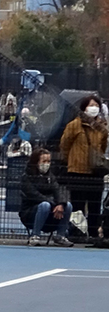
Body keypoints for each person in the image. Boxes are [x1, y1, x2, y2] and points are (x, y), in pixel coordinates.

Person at [58, 95, 108, 245]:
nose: (94, 108)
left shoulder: (102, 127)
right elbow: (64, 144)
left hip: (95, 171)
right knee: (77, 205)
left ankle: (93, 233)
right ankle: (77, 232)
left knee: (95, 205)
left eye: (97, 105)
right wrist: (71, 160)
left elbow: (103, 147)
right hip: (77, 170)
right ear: (84, 108)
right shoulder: (74, 125)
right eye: (91, 105)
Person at [20, 147, 73, 247]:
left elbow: (57, 190)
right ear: (36, 162)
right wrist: (54, 205)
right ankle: (35, 236)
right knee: (45, 205)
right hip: (30, 214)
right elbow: (34, 195)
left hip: (50, 213)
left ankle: (60, 236)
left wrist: (61, 204)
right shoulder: (26, 177)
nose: (47, 164)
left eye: (49, 161)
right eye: (44, 161)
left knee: (68, 205)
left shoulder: (50, 176)